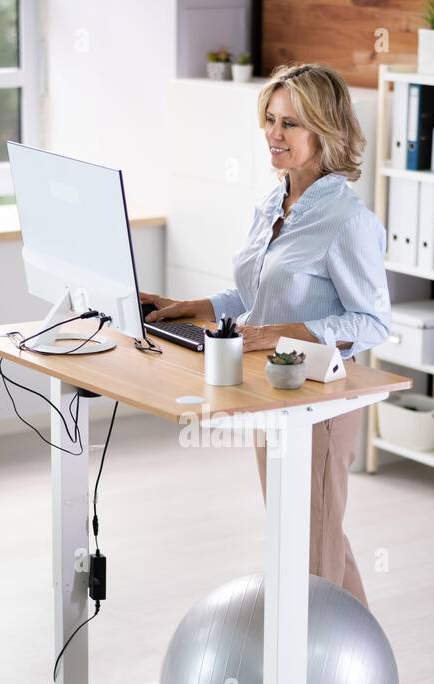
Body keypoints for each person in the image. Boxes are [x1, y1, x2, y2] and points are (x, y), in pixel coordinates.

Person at [140, 63, 391, 608]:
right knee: (308, 530)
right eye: (271, 120)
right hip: (269, 391)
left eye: (291, 124)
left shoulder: (348, 222)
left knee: (311, 542)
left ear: (325, 131)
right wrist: (193, 306)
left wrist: (283, 333)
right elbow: (255, 297)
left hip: (320, 402)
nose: (274, 134)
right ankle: (363, 668)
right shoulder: (271, 205)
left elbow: (371, 322)